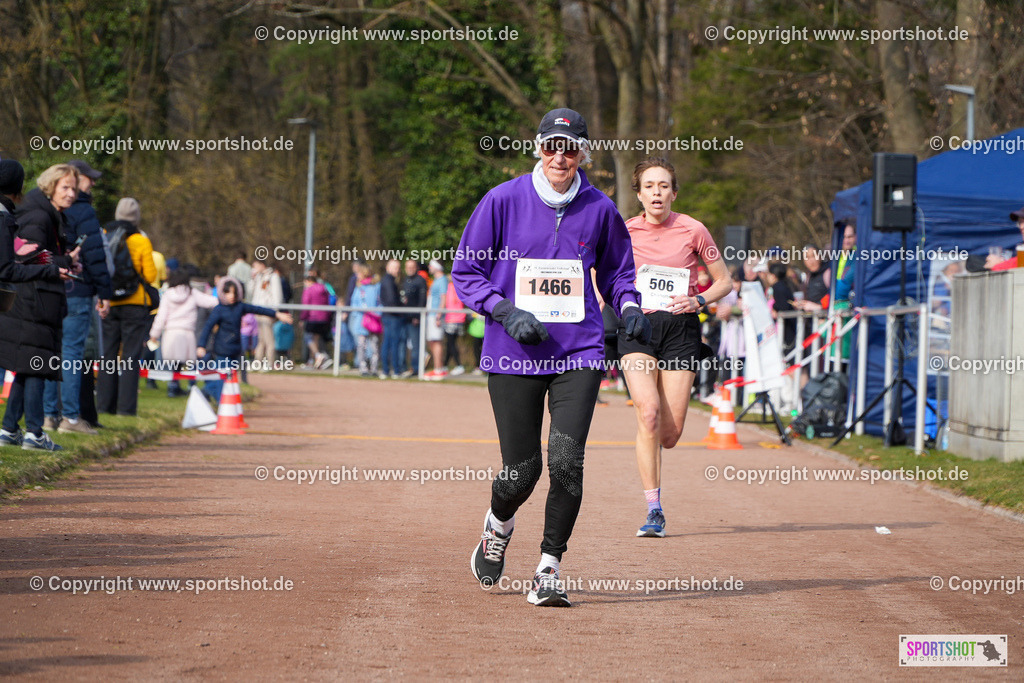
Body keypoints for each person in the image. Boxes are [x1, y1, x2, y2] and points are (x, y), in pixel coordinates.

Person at [454, 108, 650, 607]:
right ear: (538, 147)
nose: (560, 157)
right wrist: (504, 311)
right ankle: (498, 525)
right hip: (514, 353)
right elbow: (467, 271)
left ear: (584, 153)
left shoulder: (600, 208)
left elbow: (618, 273)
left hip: (578, 352)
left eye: (571, 148)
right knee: (522, 471)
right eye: (551, 146)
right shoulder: (502, 200)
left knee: (566, 462)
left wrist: (630, 306)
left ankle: (549, 568)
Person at [620, 158, 732, 538]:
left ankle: (656, 457)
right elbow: (602, 275)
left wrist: (698, 300)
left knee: (669, 434)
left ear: (674, 193)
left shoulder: (693, 229)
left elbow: (724, 281)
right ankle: (654, 509)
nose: (657, 192)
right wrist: (613, 306)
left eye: (664, 186)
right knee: (648, 413)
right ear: (639, 194)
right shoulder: (624, 231)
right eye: (649, 186)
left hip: (681, 330)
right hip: (638, 328)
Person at [0, 163, 79, 451]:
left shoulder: (43, 212)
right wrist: (62, 264)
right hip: (33, 300)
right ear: (50, 186)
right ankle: (34, 432)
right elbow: (25, 256)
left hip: (38, 298)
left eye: (74, 188)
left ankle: (10, 428)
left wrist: (63, 261)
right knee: (36, 364)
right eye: (65, 187)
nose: (71, 193)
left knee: (28, 365)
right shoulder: (37, 214)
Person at [41, 160, 112, 434]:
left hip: (53, 286)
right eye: (89, 178)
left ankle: (49, 415)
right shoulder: (84, 211)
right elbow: (95, 254)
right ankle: (70, 418)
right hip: (78, 289)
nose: (92, 183)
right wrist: (104, 292)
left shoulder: (48, 207)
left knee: (53, 352)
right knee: (71, 353)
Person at [97, 198, 156, 417]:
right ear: (136, 218)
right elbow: (151, 275)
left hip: (109, 302)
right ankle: (126, 409)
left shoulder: (105, 234)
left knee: (108, 355)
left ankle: (104, 406)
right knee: (130, 356)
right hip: (134, 304)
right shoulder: (141, 240)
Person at [196, 277, 292, 402]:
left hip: (235, 350)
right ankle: (220, 402)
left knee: (230, 379)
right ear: (222, 293)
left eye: (234, 293)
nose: (231, 296)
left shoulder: (240, 307)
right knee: (222, 379)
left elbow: (258, 309)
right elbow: (208, 328)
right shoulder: (219, 310)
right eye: (228, 292)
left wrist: (277, 314)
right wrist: (201, 345)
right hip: (222, 350)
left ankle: (207, 392)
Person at [148, 269, 218, 397]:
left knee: (174, 363)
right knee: (187, 363)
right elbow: (211, 302)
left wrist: (154, 334)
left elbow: (161, 317)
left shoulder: (167, 294)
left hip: (171, 333)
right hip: (187, 333)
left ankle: (173, 386)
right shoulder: (192, 293)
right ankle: (189, 386)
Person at [347, 264, 381, 377]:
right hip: (361, 322)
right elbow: (354, 303)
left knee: (374, 346)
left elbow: (380, 302)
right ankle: (363, 368)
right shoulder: (359, 287)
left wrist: (376, 313)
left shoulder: (376, 286)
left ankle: (374, 368)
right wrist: (361, 310)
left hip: (374, 321)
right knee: (361, 345)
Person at [301, 273, 332, 369]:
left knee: (308, 337)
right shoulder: (324, 288)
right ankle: (314, 362)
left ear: (309, 281)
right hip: (324, 317)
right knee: (315, 340)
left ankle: (319, 355)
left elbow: (306, 305)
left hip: (312, 317)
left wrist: (302, 318)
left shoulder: (309, 290)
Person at [401, 259, 427, 376]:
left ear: (416, 267)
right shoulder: (404, 280)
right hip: (403, 318)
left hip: (414, 318)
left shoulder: (420, 280)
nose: (410, 269)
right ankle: (402, 367)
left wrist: (417, 316)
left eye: (412, 266)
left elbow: (422, 300)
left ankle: (416, 368)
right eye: (408, 267)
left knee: (416, 345)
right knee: (402, 344)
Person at [379, 259, 404, 377]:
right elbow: (391, 301)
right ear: (388, 268)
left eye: (398, 268)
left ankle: (387, 369)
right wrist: (402, 305)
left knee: (389, 343)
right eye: (395, 267)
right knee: (392, 344)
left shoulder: (389, 280)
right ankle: (394, 370)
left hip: (390, 316)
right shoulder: (388, 281)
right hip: (392, 317)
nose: (397, 270)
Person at [424, 260, 448, 379]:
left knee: (437, 341)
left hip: (436, 315)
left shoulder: (442, 280)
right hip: (432, 314)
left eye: (431, 265)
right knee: (432, 341)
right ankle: (437, 368)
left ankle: (439, 369)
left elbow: (443, 298)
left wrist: (439, 315)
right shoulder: (436, 280)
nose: (429, 267)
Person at [443, 275, 467, 375]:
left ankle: (459, 365)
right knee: (450, 343)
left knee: (451, 343)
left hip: (451, 319)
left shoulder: (448, 287)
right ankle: (444, 365)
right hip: (460, 319)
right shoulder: (460, 288)